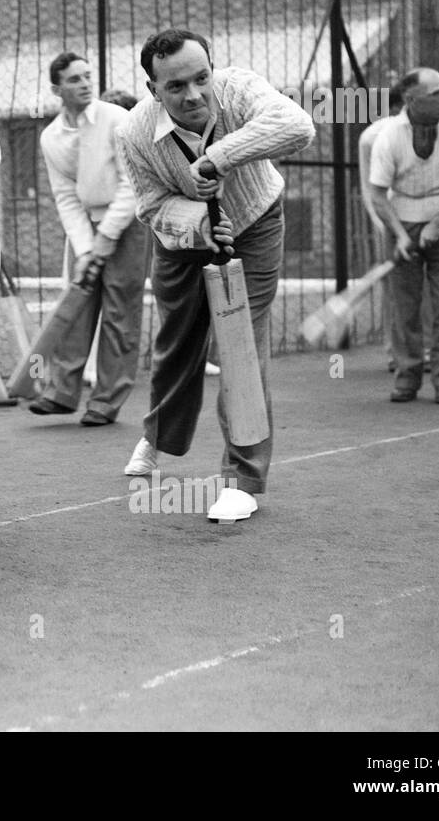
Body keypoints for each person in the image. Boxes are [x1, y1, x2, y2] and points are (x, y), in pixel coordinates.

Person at [117, 29, 314, 523]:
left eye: (201, 78)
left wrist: (219, 156)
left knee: (241, 342)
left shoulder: (240, 88)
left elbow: (298, 125)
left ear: (213, 70)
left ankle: (243, 478)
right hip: (181, 239)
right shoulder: (135, 132)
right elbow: (150, 205)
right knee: (178, 343)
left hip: (254, 220)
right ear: (152, 89)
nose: (194, 95)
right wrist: (198, 222)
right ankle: (160, 437)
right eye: (176, 87)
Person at [32, 53, 148, 426]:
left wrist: (108, 235)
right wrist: (85, 248)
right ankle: (62, 393)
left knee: (120, 312)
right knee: (78, 303)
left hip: (128, 224)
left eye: (87, 76)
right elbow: (65, 195)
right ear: (56, 89)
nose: (84, 84)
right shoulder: (50, 137)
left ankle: (105, 401)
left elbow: (133, 185)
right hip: (86, 227)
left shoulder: (117, 119)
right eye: (74, 79)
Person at [367, 67, 439, 404]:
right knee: (406, 310)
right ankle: (407, 379)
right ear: (412, 99)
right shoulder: (388, 136)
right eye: (437, 93)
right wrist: (401, 235)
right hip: (402, 222)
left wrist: (438, 222)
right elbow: (376, 194)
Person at [359, 81, 405, 369]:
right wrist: (385, 225)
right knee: (399, 286)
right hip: (391, 220)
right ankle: (398, 352)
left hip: (408, 218)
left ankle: (403, 351)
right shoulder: (373, 137)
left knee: (405, 286)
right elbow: (371, 188)